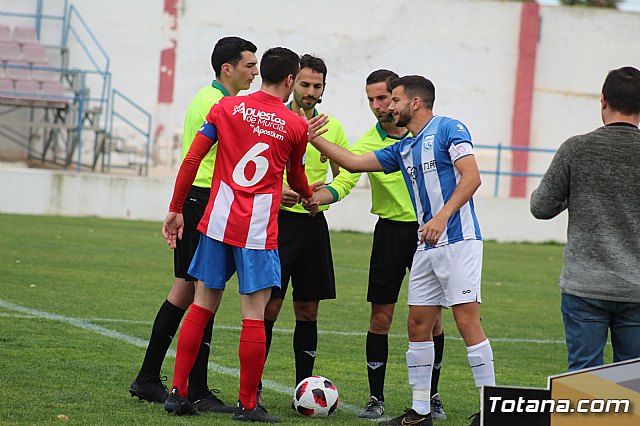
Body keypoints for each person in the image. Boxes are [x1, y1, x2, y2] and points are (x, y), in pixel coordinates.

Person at [306, 75, 494, 426]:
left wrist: (442, 216)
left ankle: (492, 410)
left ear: (416, 103)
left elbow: (471, 177)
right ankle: (421, 411)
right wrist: (312, 136)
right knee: (417, 325)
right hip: (427, 245)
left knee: (467, 322)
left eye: (394, 99)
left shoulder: (449, 128)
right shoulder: (404, 147)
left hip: (458, 241)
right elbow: (352, 163)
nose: (388, 106)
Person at [161, 47, 326, 423]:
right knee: (253, 314)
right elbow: (297, 177)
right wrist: (306, 196)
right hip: (256, 228)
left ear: (261, 72)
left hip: (217, 221)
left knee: (202, 304)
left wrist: (174, 208)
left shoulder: (226, 108)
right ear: (289, 80)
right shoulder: (295, 124)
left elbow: (191, 159)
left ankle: (177, 392)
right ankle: (248, 405)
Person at [129, 36, 258, 413]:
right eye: (250, 65)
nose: (255, 72)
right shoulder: (217, 103)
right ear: (227, 69)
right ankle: (195, 389)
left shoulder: (214, 99)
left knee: (187, 290)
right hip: (204, 201)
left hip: (200, 201)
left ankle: (149, 378)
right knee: (204, 289)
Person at [530, 66, 640, 372]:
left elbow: (541, 207)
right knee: (632, 379)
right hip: (637, 288)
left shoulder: (576, 148)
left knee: (583, 377)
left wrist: (573, 192)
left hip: (585, 284)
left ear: (603, 100)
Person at [260, 54, 349, 399]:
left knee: (308, 310)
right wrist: (279, 191)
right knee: (269, 306)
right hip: (277, 224)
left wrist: (323, 196)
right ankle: (254, 383)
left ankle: (304, 389)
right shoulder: (273, 120)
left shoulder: (333, 127)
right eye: (305, 84)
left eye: (317, 86)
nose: (310, 91)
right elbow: (254, 169)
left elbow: (347, 177)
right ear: (291, 81)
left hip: (313, 225)